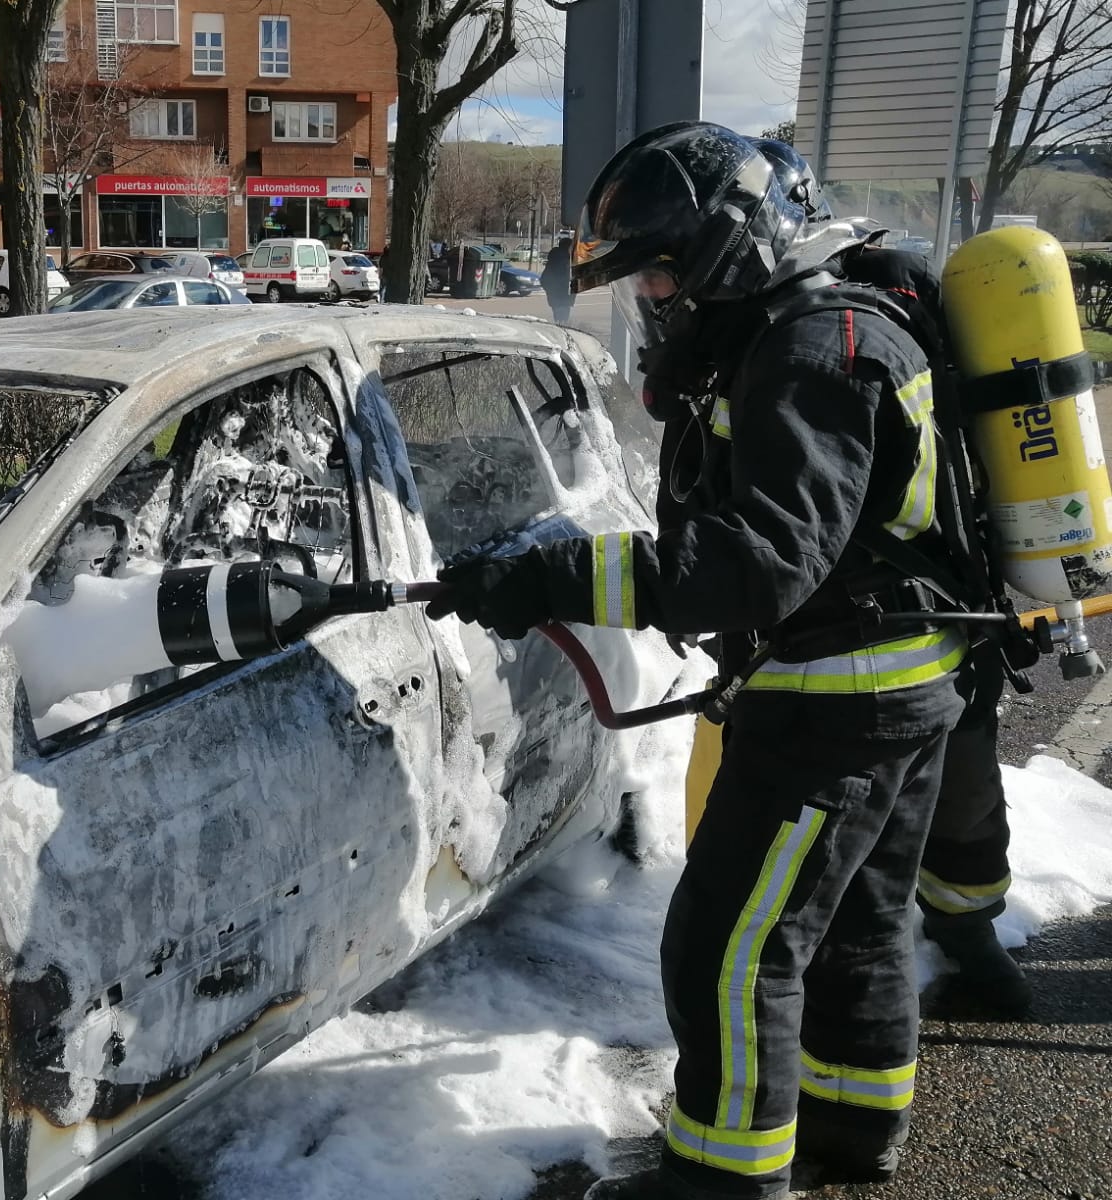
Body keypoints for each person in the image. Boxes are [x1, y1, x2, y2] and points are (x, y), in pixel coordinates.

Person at [426, 123, 971, 1200]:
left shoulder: (816, 353)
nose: (654, 296)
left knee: (728, 949)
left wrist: (551, 578)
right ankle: (857, 1128)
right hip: (895, 688)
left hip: (834, 712)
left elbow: (756, 562)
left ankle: (720, 1179)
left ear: (734, 244)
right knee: (857, 928)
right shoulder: (821, 330)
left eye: (663, 268)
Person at [755, 137, 1031, 1014]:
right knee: (964, 786)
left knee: (924, 796)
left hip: (895, 603)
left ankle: (943, 945)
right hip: (964, 587)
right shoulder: (901, 289)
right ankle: (972, 940)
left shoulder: (825, 322)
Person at [541, 234, 574, 325]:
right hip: (562, 297)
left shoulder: (555, 258)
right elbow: (567, 279)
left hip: (556, 297)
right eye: (571, 246)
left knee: (559, 319)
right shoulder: (564, 260)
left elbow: (544, 279)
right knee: (563, 320)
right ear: (567, 247)